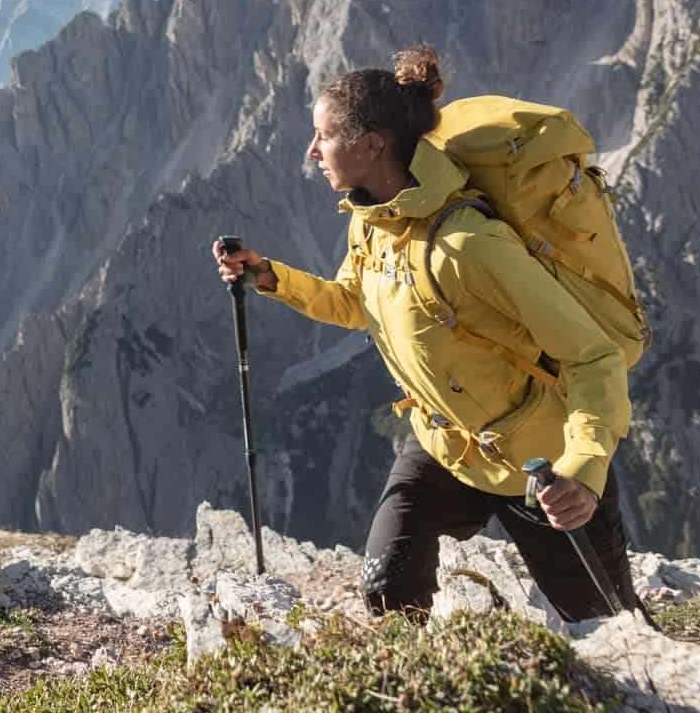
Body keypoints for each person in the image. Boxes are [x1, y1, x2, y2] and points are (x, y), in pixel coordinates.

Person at [212, 44, 640, 621]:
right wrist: (271, 277)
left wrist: (584, 471)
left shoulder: (469, 246)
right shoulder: (373, 221)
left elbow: (593, 356)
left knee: (608, 629)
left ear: (372, 144)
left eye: (324, 136)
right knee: (387, 588)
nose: (311, 151)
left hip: (540, 463)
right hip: (442, 445)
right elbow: (355, 303)